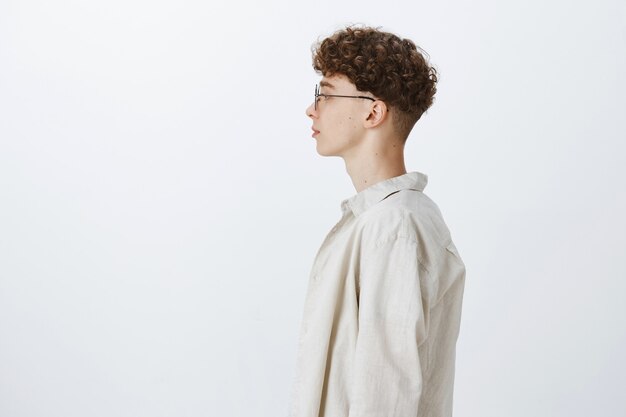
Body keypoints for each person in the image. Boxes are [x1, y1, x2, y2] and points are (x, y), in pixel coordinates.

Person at [289, 26, 466, 417]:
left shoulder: (392, 225)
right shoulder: (389, 218)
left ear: (373, 111)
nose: (311, 108)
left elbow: (386, 392)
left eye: (327, 94)